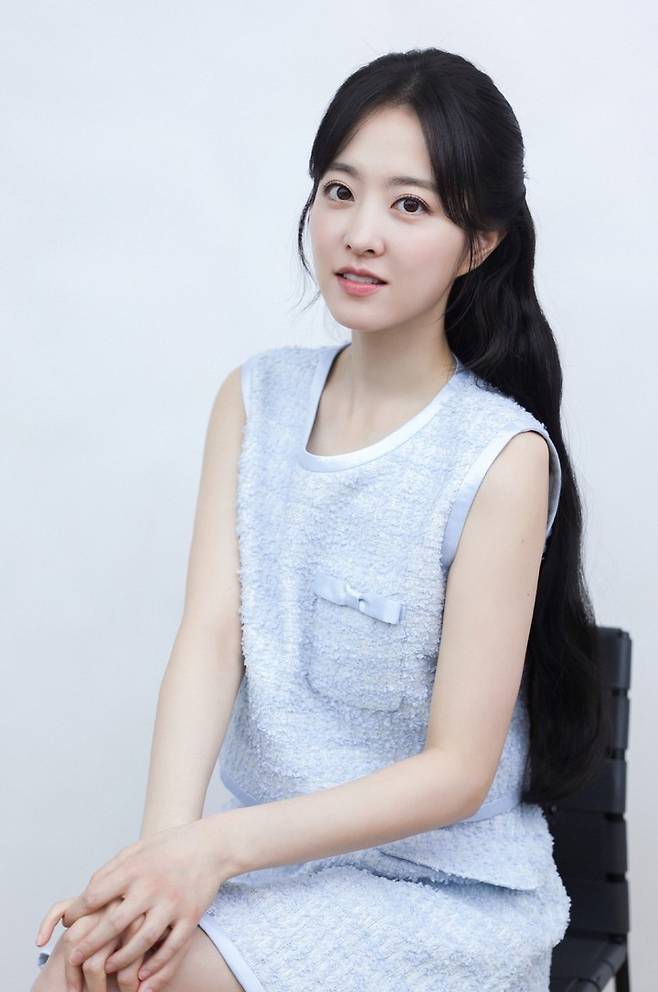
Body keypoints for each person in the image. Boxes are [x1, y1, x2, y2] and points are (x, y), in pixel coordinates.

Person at [32, 47, 609, 992]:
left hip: (444, 898)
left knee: (119, 979)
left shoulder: (499, 456)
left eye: (410, 205)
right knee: (93, 959)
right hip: (280, 872)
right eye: (340, 192)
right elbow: (212, 638)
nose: (360, 234)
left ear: (481, 242)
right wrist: (161, 860)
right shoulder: (254, 399)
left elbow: (458, 772)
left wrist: (212, 851)